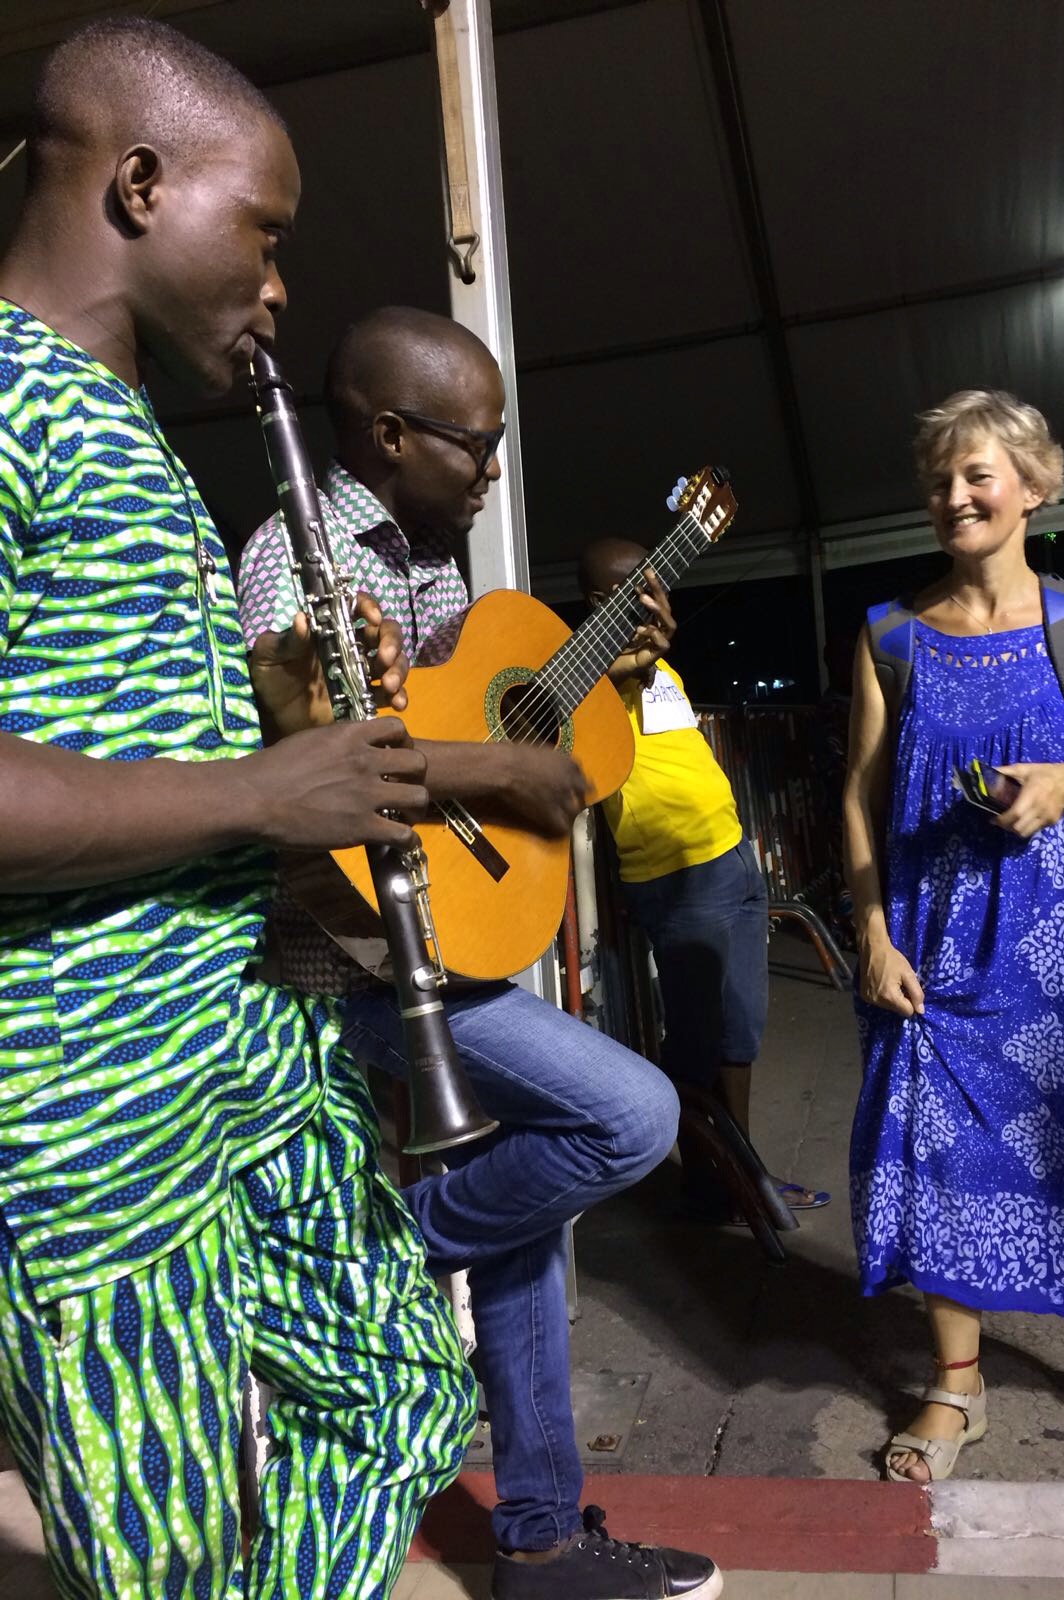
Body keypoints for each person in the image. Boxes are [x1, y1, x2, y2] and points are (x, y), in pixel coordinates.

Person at [0, 20, 476, 1600]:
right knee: (173, 1561)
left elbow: (108, 727)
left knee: (404, 1394)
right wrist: (264, 791)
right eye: (263, 232)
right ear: (140, 183)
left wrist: (281, 704)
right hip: (91, 1131)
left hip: (247, 1059)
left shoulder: (129, 425)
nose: (278, 286)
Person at [238, 306, 724, 1600]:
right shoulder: (293, 554)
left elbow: (473, 718)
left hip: (449, 929)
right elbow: (318, 752)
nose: (495, 468)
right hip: (350, 952)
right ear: (393, 434)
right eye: (478, 441)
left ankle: (542, 1542)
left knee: (527, 1211)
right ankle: (365, 1273)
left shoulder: (444, 568)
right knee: (631, 1116)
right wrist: (505, 768)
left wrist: (604, 681)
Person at [842, 389, 1064, 1482]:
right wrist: (871, 932)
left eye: (978, 475)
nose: (954, 496)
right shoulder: (891, 636)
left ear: (1033, 489)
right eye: (940, 480)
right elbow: (857, 796)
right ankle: (958, 1381)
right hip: (931, 945)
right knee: (937, 1153)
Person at [578, 539, 830, 1223]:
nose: (657, 599)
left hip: (731, 858)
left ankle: (744, 1174)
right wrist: (627, 659)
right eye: (641, 589)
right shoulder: (587, 684)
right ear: (603, 603)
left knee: (739, 1030)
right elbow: (576, 701)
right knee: (693, 1044)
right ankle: (705, 1188)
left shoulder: (663, 670)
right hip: (677, 876)